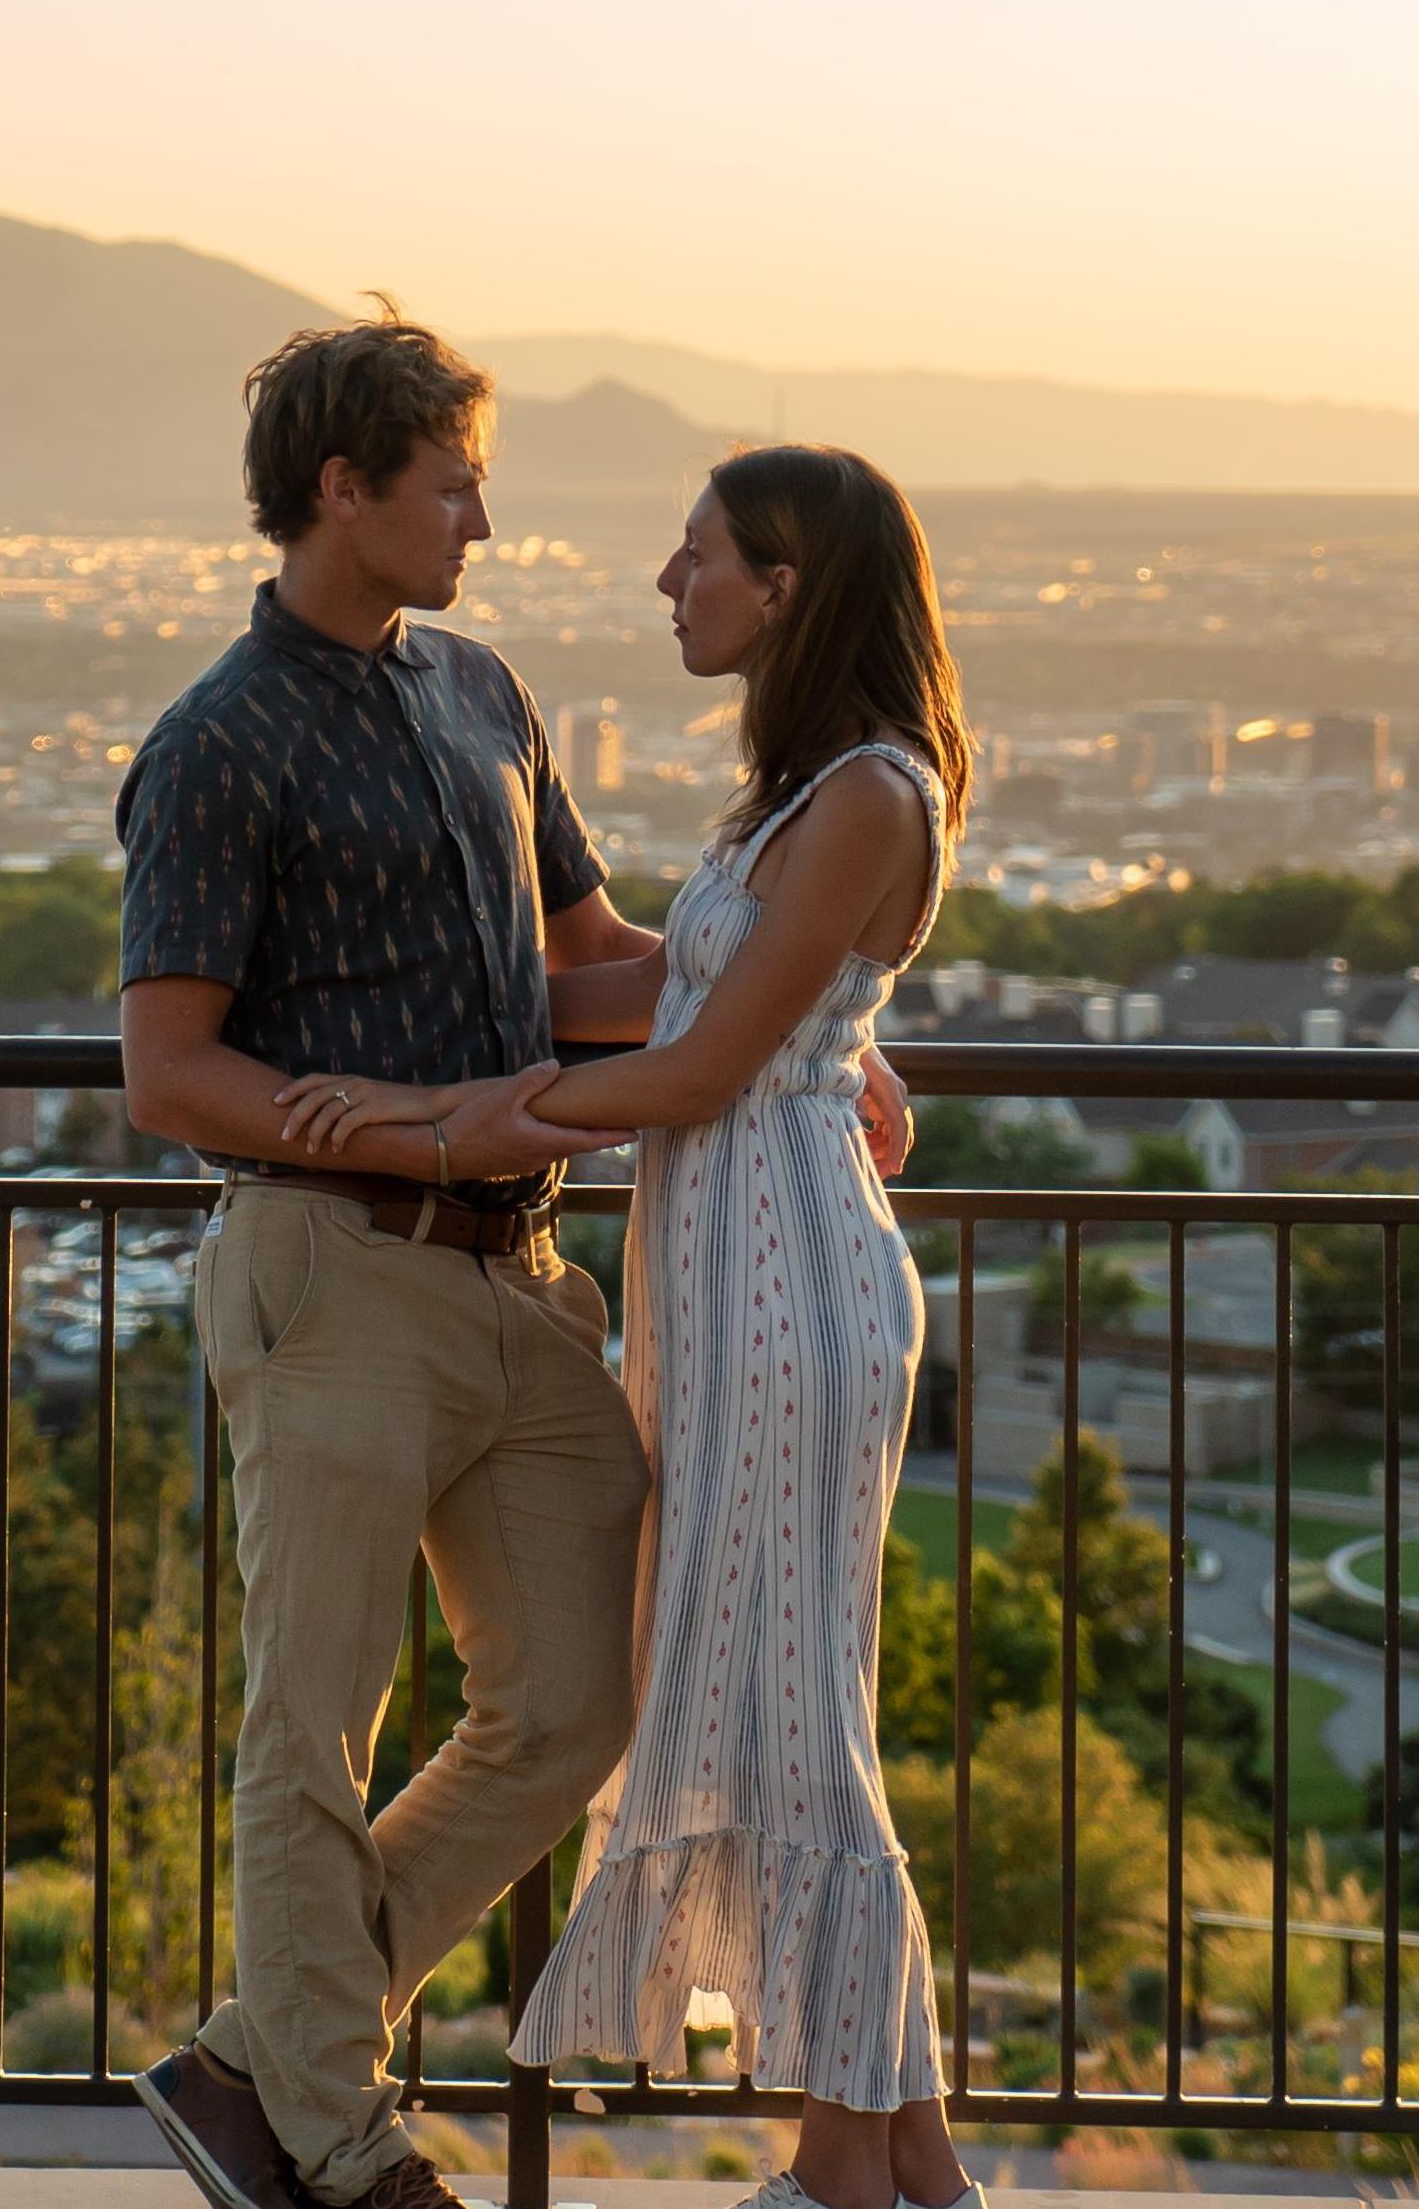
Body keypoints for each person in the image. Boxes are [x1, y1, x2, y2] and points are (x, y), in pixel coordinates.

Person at [118, 316, 913, 2209]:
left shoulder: (484, 693)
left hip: (523, 1273)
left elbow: (606, 961)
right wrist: (418, 1126)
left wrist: (835, 1016)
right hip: (332, 1270)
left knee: (578, 1696)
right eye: (455, 481)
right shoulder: (217, 742)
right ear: (345, 489)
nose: (485, 516)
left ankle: (259, 2061)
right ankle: (334, 2133)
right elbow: (169, 1073)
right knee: (311, 1715)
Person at [278, 444, 985, 2209]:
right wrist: (372, 1034)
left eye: (701, 559)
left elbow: (703, 1062)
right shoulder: (811, 795)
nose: (673, 586)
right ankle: (915, 2171)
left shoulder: (868, 797)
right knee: (779, 1697)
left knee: (795, 1711)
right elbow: (681, 989)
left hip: (789, 1295)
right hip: (734, 1283)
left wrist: (439, 1119)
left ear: (793, 587)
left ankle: (843, 2170)